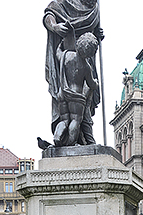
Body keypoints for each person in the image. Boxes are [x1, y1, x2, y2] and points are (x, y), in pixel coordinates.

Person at [43, 0, 102, 146]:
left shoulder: (94, 6)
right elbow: (48, 15)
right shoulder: (65, 2)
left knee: (66, 117)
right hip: (77, 87)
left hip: (69, 63)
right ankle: (74, 141)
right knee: (78, 116)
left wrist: (97, 34)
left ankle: (66, 139)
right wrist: (55, 27)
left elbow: (59, 53)